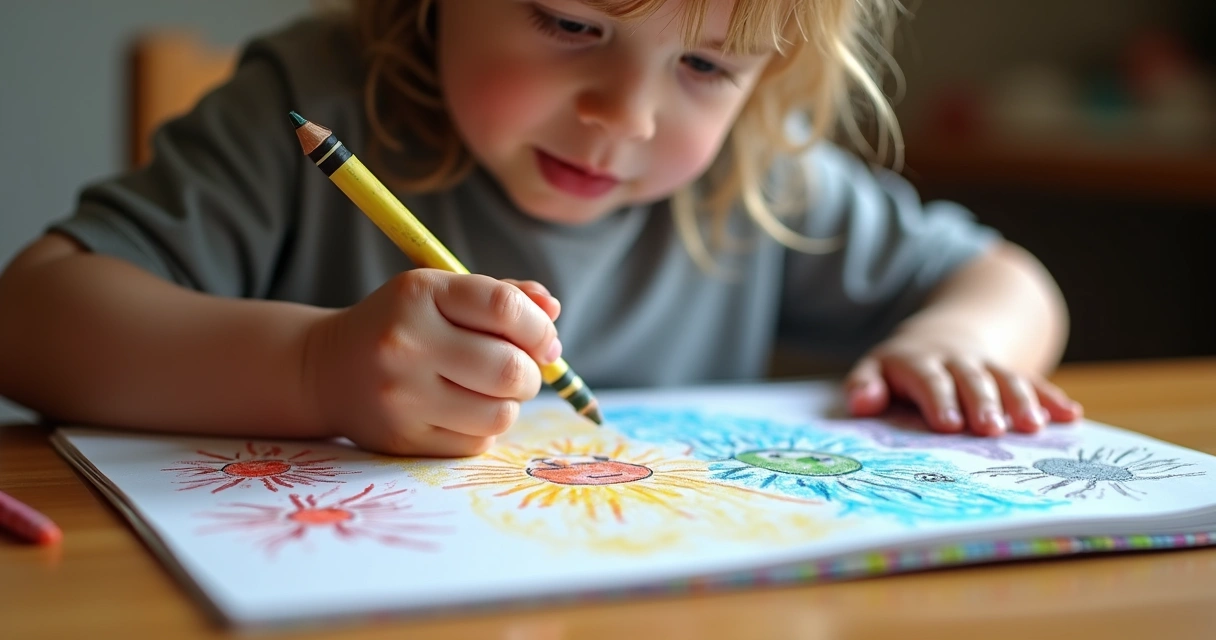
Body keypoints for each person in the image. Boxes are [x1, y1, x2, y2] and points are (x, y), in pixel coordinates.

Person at [0, 0, 1083, 457]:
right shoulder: (319, 105)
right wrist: (314, 369)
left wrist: (959, 347)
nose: (630, 113)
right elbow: (33, 319)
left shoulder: (753, 180)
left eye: (706, 66)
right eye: (572, 22)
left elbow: (1009, 280)